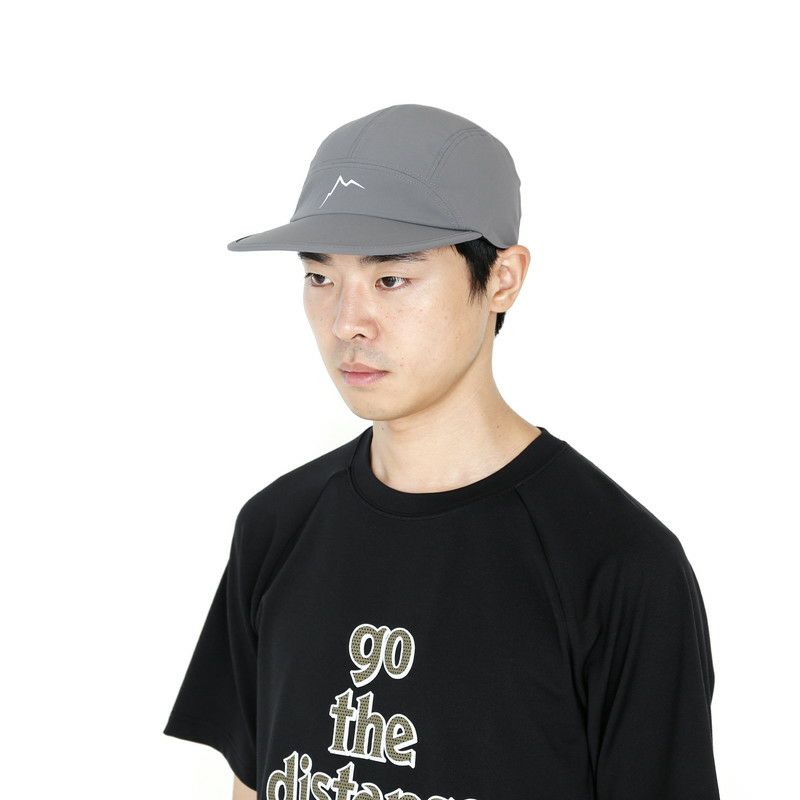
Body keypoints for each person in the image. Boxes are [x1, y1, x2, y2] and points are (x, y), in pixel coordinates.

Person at [163, 103, 721, 800]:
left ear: (502, 279)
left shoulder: (616, 566)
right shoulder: (276, 527)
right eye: (320, 277)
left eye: (390, 279)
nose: (347, 322)